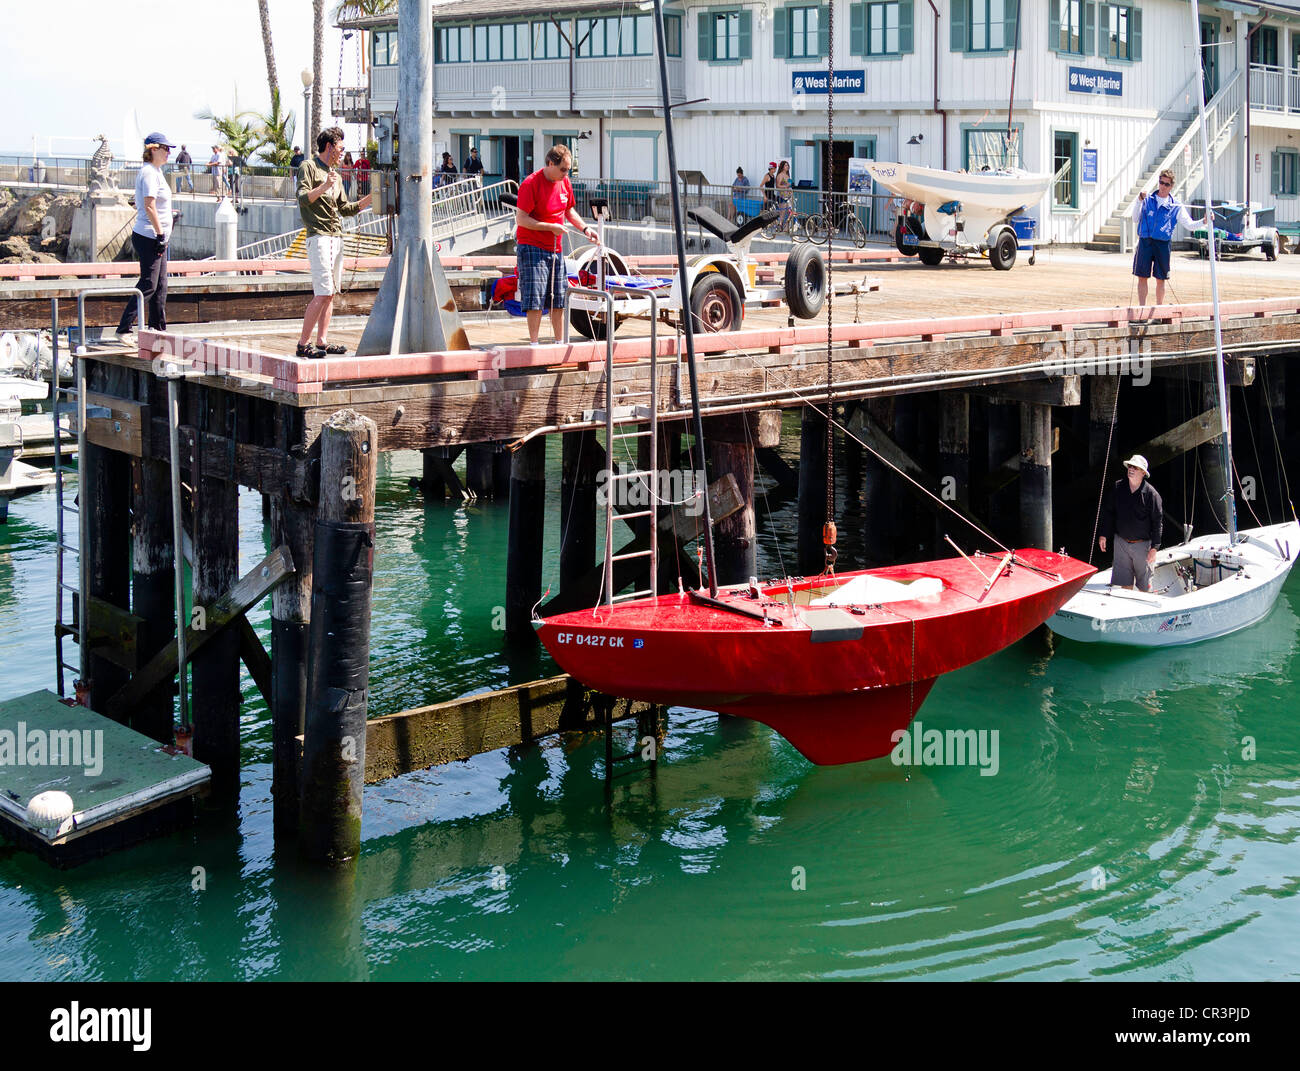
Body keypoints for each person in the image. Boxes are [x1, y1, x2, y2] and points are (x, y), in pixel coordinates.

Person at [295, 126, 372, 358]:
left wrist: (371, 198)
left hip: (336, 236)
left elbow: (345, 209)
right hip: (318, 236)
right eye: (340, 148)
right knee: (322, 292)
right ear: (329, 146)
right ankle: (302, 344)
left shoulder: (336, 175)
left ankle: (322, 341)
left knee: (331, 293)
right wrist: (323, 187)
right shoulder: (308, 167)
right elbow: (302, 198)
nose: (342, 153)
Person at [514, 144, 598, 345]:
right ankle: (534, 344)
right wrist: (549, 227)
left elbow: (569, 210)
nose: (565, 173)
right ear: (550, 163)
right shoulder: (531, 184)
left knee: (558, 297)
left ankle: (559, 342)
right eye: (562, 169)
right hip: (532, 246)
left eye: (568, 170)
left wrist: (585, 229)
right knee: (535, 298)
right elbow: (522, 219)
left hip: (555, 247)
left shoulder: (565, 183)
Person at [116, 133, 175, 336]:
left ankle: (157, 328)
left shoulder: (156, 172)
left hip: (158, 237)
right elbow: (149, 206)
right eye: (165, 149)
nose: (169, 153)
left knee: (161, 285)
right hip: (150, 236)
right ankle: (124, 329)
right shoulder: (149, 172)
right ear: (153, 149)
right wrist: (160, 234)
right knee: (149, 284)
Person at [1132, 168, 1198, 306]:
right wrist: (1138, 200)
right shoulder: (1147, 200)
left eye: (1166, 184)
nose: (1163, 186)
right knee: (1142, 276)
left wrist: (1204, 221)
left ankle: (1158, 309)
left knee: (1160, 278)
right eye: (1161, 183)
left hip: (1162, 243)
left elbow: (1190, 225)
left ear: (1171, 186)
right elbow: (1135, 218)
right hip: (1145, 241)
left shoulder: (1175, 205)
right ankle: (1142, 308)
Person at [1099, 453, 1163, 592]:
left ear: (1143, 473)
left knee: (1144, 587)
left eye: (1135, 467)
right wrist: (1104, 534)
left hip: (1142, 545)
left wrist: (1154, 548)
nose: (1131, 469)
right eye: (1130, 466)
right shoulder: (1118, 487)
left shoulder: (1152, 495)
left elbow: (1157, 522)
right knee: (1124, 585)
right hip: (1121, 543)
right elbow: (1109, 512)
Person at [774, 160, 794, 229]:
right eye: (785, 165)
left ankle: (786, 227)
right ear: (782, 167)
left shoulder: (788, 175)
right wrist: (785, 186)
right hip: (782, 196)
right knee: (782, 212)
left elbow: (790, 184)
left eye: (788, 165)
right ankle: (779, 225)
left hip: (788, 195)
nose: (787, 166)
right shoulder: (780, 175)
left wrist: (790, 189)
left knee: (789, 211)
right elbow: (778, 186)